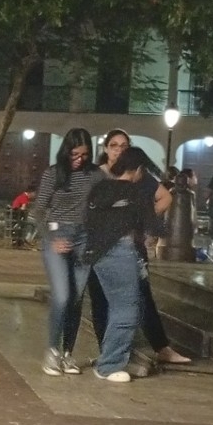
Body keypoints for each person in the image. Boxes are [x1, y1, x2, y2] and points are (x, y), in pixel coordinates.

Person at [80, 131, 189, 369]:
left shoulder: (135, 179)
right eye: (114, 145)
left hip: (123, 248)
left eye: (124, 146)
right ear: (106, 148)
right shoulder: (98, 177)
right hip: (105, 249)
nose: (118, 150)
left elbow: (164, 198)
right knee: (108, 303)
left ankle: (148, 349)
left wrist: (137, 220)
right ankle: (109, 356)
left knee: (137, 300)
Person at [31, 128, 99, 376]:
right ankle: (52, 352)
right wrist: (52, 238)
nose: (79, 159)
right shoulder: (54, 173)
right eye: (75, 154)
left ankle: (68, 353)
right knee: (61, 296)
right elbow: (38, 210)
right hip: (57, 235)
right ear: (66, 151)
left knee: (76, 299)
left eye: (84, 155)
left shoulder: (95, 175)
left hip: (84, 238)